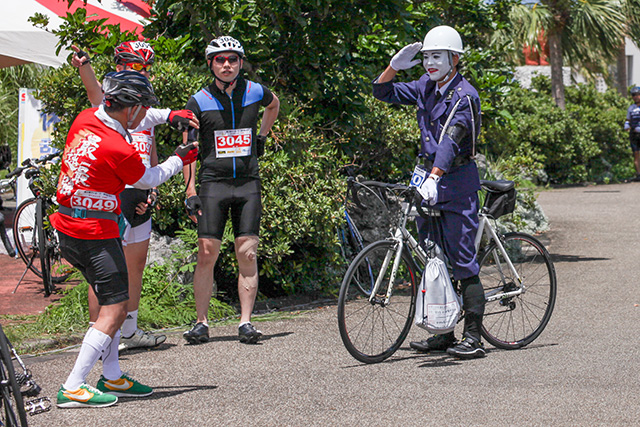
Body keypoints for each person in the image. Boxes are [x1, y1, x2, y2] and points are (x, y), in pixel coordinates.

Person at [52, 70, 198, 408]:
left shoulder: (86, 119)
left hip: (70, 225)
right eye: (143, 107)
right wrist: (181, 158)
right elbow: (148, 178)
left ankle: (113, 375)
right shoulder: (118, 146)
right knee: (116, 307)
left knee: (110, 302)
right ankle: (73, 386)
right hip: (95, 233)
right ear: (129, 108)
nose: (146, 114)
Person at [71, 41, 197, 350]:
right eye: (136, 65)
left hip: (142, 188)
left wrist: (152, 190)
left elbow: (151, 150)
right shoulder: (111, 102)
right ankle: (98, 335)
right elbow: (93, 92)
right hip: (114, 194)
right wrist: (85, 65)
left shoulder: (144, 110)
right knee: (103, 269)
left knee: (134, 265)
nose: (144, 72)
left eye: (146, 67)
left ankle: (129, 330)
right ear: (120, 63)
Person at [372, 25, 486, 359]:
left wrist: (435, 176)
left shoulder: (464, 96)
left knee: (463, 261)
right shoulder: (425, 86)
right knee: (432, 255)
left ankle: (474, 337)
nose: (429, 63)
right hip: (427, 179)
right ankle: (444, 332)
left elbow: (451, 141)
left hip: (455, 181)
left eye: (437, 56)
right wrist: (393, 67)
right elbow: (382, 93)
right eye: (426, 57)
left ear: (455, 58)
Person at [181, 36, 280, 345]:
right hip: (213, 184)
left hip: (248, 182)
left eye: (232, 60)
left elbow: (274, 104)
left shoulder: (254, 92)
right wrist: (189, 190)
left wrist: (262, 136)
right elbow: (188, 148)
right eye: (220, 60)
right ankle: (201, 322)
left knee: (247, 252)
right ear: (211, 64)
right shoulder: (198, 101)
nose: (227, 65)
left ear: (240, 63)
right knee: (207, 253)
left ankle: (246, 323)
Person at [624, 86, 640, 181]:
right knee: (636, 153)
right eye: (633, 95)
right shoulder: (631, 108)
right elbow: (628, 119)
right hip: (634, 134)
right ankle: (639, 174)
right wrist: (626, 125)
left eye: (637, 94)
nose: (636, 97)